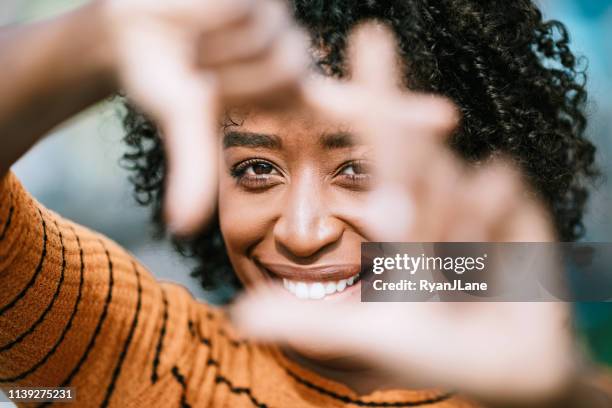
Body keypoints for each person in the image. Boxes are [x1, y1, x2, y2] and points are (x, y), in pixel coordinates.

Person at [0, 0, 609, 407]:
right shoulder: (149, 361)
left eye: (361, 170)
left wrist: (567, 395)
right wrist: (90, 41)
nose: (302, 230)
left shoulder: (547, 370)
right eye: (257, 169)